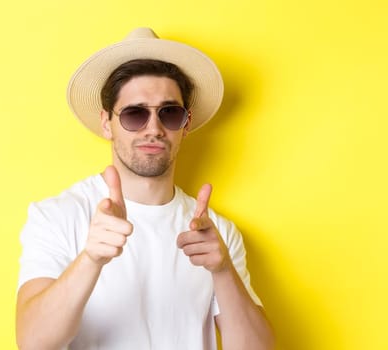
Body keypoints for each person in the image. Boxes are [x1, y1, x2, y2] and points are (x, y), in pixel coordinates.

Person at [15, 28, 274, 350]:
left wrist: (222, 272)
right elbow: (32, 343)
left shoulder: (216, 232)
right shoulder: (57, 216)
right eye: (135, 114)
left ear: (186, 123)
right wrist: (91, 259)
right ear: (107, 122)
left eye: (170, 113)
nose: (153, 128)